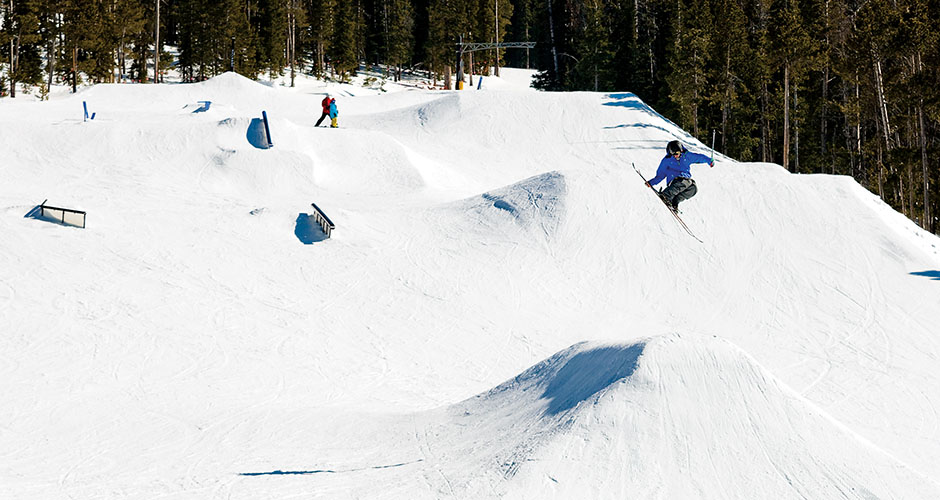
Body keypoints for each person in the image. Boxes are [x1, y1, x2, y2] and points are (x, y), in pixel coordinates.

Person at [646, 140, 713, 211]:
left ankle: (674, 201)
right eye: (673, 154)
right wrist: (651, 182)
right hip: (674, 181)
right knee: (684, 182)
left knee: (693, 188)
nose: (675, 156)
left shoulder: (686, 156)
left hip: (685, 180)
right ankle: (666, 195)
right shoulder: (667, 160)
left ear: (681, 150)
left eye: (677, 153)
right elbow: (661, 174)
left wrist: (709, 161)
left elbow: (699, 157)